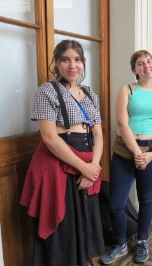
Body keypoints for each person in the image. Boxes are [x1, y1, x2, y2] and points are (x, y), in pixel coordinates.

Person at [20, 39, 104, 266]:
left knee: (84, 220)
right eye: (65, 59)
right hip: (58, 164)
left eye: (77, 60)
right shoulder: (46, 91)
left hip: (86, 163)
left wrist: (93, 169)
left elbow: (98, 134)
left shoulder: (90, 94)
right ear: (57, 63)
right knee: (63, 226)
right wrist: (83, 167)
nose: (72, 65)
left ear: (83, 63)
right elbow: (49, 138)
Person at [101, 50, 152, 264]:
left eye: (149, 61)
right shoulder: (127, 90)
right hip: (125, 151)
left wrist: (151, 155)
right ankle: (120, 243)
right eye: (140, 63)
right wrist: (138, 153)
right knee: (116, 203)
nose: (146, 65)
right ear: (135, 70)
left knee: (146, 199)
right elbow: (122, 123)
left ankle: (142, 242)